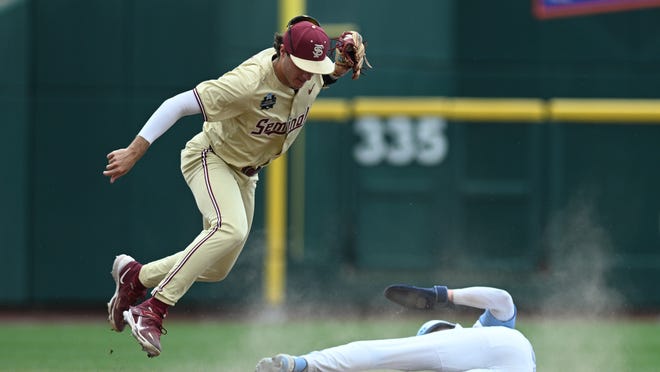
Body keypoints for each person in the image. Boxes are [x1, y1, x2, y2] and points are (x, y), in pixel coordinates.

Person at [103, 15, 369, 358]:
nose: (307, 74)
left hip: (247, 172)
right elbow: (179, 105)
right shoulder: (248, 82)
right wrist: (135, 150)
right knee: (228, 229)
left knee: (216, 267)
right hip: (211, 157)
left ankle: (135, 278)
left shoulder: (313, 72)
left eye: (313, 66)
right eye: (301, 65)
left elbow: (326, 73)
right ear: (283, 52)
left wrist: (342, 64)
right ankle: (152, 309)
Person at [255, 284, 536, 372]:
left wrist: (445, 295)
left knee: (384, 352)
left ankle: (306, 363)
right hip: (515, 357)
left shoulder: (479, 332)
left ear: (453, 329)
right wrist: (443, 295)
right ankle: (304, 364)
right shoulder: (489, 336)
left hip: (496, 348)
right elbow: (503, 300)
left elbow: (503, 300)